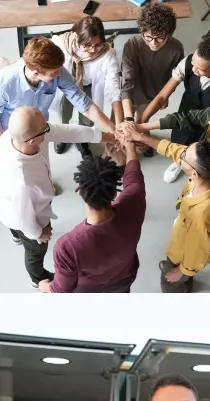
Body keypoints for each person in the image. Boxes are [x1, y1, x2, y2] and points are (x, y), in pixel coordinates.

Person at [0, 107, 114, 289]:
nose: (49, 128)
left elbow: (67, 131)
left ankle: (16, 236)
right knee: (35, 251)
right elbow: (22, 215)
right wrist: (38, 233)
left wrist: (106, 136)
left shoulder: (12, 137)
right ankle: (37, 278)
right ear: (32, 141)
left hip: (9, 204)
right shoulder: (22, 181)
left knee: (18, 229)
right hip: (24, 216)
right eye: (45, 129)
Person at [117, 121, 210, 292]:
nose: (181, 153)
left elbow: (197, 254)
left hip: (184, 252)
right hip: (188, 233)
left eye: (184, 155)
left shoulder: (202, 218)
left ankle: (179, 286)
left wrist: (181, 271)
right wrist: (139, 137)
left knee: (169, 281)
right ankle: (185, 278)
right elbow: (175, 150)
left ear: (194, 174)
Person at [39, 138, 146, 294]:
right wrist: (130, 147)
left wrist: (45, 286)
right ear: (115, 193)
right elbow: (134, 176)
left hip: (89, 288)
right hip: (126, 276)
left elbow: (62, 289)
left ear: (80, 193)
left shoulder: (67, 247)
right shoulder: (134, 202)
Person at [139, 28, 210, 183]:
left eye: (199, 69)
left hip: (209, 124)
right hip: (185, 110)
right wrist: (141, 122)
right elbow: (162, 96)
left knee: (201, 151)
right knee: (180, 138)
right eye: (193, 63)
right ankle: (179, 162)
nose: (193, 69)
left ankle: (193, 167)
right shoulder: (188, 62)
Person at [136, 103, 210, 238]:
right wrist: (141, 130)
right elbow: (184, 124)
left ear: (194, 173)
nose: (208, 121)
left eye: (184, 160)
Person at [0, 37, 115, 138]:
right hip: (11, 135)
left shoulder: (56, 69)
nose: (59, 74)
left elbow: (82, 102)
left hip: (42, 130)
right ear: (36, 73)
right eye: (54, 72)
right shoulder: (5, 82)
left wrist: (113, 130)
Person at [51, 15, 123, 157]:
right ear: (76, 37)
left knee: (88, 119)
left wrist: (117, 125)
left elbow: (113, 86)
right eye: (87, 45)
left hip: (88, 86)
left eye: (98, 44)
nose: (93, 50)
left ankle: (83, 139)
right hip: (65, 86)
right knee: (63, 114)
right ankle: (62, 136)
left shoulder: (107, 54)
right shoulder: (60, 44)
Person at [120, 2, 184, 157]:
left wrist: (140, 122)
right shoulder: (132, 45)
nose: (153, 43)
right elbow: (127, 83)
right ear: (142, 31)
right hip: (129, 96)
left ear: (169, 32)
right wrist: (129, 119)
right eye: (148, 37)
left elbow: (172, 81)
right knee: (122, 128)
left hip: (153, 96)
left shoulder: (176, 49)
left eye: (160, 38)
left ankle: (143, 145)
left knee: (143, 126)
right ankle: (119, 154)